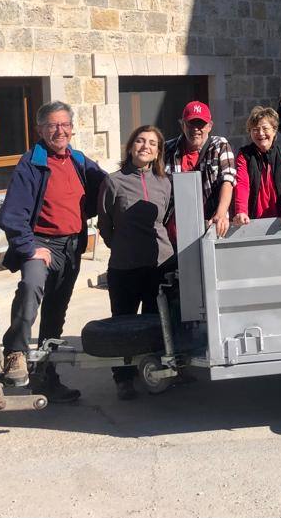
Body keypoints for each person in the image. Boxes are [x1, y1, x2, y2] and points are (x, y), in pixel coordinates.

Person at [0, 100, 106, 402]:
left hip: (72, 247)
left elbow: (109, 186)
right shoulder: (31, 163)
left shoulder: (80, 161)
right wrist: (29, 247)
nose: (59, 130)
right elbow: (11, 215)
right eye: (52, 125)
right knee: (31, 287)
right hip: (41, 244)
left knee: (56, 312)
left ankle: (47, 378)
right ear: (41, 130)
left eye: (64, 125)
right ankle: (16, 352)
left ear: (72, 129)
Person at [97, 125, 174, 400]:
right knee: (124, 324)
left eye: (152, 143)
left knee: (156, 323)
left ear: (158, 152)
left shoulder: (165, 182)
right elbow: (105, 224)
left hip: (158, 264)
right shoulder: (114, 181)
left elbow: (164, 219)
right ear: (131, 147)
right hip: (125, 266)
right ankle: (124, 378)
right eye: (140, 141)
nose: (145, 147)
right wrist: (120, 245)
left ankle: (153, 371)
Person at [164, 101, 236, 238]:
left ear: (210, 126)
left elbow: (228, 179)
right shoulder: (167, 149)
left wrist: (220, 214)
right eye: (191, 124)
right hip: (174, 233)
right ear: (182, 125)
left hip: (210, 228)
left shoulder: (219, 146)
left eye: (201, 124)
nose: (196, 129)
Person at [233, 106, 281, 227]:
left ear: (274, 130)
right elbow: (242, 184)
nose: (261, 133)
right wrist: (241, 211)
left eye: (265, 128)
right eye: (255, 129)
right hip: (252, 221)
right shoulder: (244, 155)